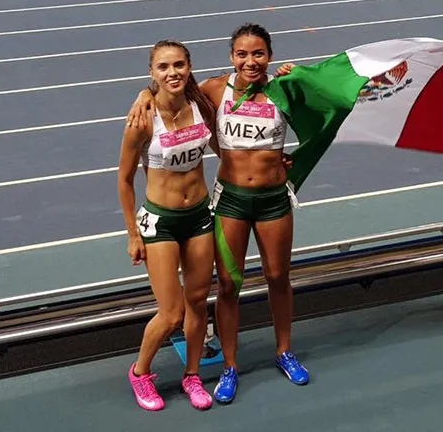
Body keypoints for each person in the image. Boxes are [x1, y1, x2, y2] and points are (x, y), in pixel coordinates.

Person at [128, 24, 308, 404]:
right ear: (231, 57)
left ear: (270, 57)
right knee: (228, 286)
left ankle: (284, 352)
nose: (250, 61)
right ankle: (229, 366)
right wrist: (144, 95)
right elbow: (169, 86)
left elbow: (324, 117)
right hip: (230, 202)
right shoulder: (212, 89)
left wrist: (301, 79)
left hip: (274, 199)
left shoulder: (284, 89)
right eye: (242, 54)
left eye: (258, 53)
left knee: (278, 276)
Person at [118, 40, 216, 411]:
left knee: (196, 304)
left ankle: (192, 375)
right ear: (152, 73)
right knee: (172, 312)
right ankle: (140, 373)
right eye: (163, 67)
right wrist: (132, 234)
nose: (172, 72)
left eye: (178, 65)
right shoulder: (142, 119)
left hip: (199, 217)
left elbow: (241, 83)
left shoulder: (202, 105)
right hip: (161, 221)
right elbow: (125, 180)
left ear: (189, 67)